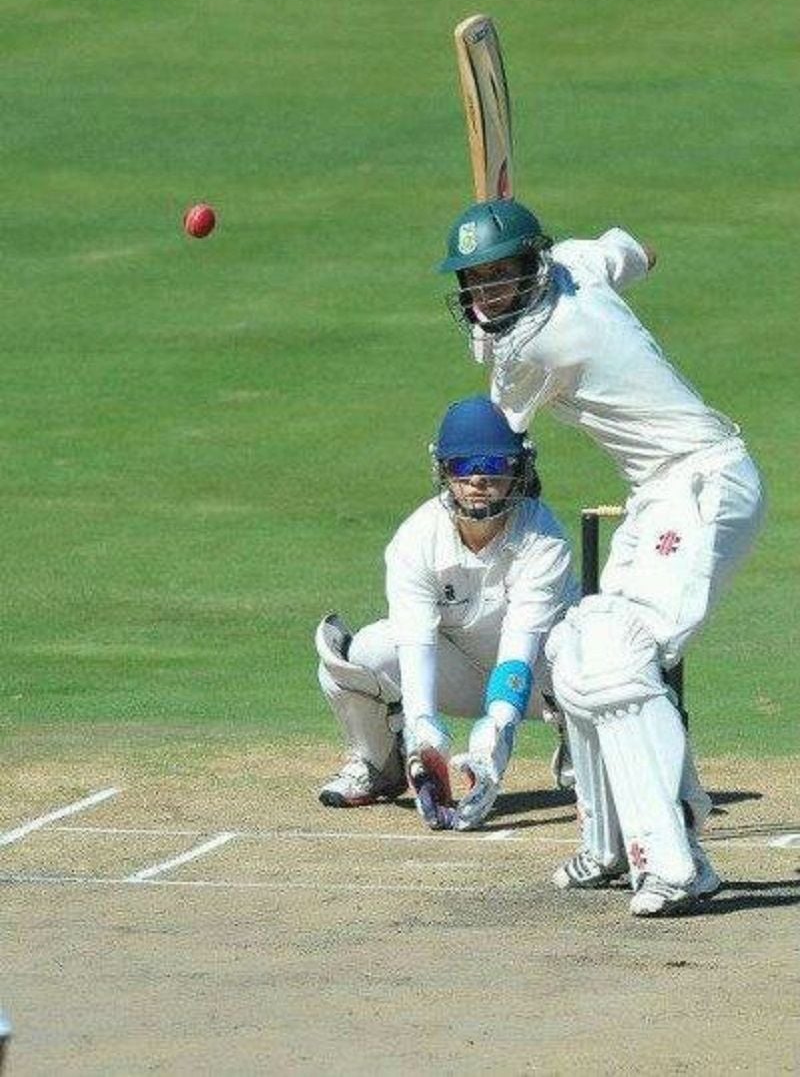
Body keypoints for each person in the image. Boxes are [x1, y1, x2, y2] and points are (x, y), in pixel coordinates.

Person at [438, 199, 765, 914]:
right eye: (476, 282)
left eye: (501, 278)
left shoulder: (543, 346)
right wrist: (541, 265)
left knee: (618, 655)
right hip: (659, 491)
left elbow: (497, 433)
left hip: (704, 482)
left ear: (532, 265)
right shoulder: (577, 266)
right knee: (575, 647)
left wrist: (496, 341)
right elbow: (640, 251)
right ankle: (609, 844)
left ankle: (675, 864)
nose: (487, 295)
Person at [315, 394, 579, 830]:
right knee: (361, 653)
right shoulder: (417, 538)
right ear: (444, 471)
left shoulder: (543, 538)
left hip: (537, 684)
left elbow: (519, 648)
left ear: (518, 470)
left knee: (581, 646)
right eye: (463, 466)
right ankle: (383, 766)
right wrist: (423, 734)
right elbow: (414, 641)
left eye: (494, 467)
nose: (478, 480)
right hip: (455, 674)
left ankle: (581, 745)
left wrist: (497, 733)